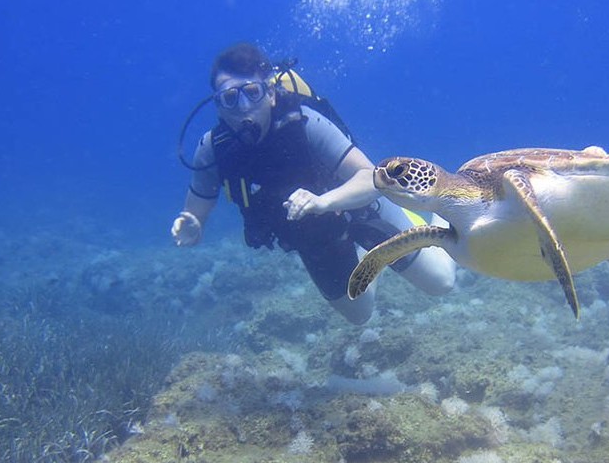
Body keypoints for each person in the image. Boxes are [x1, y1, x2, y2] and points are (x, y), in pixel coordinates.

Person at [171, 42, 456, 324]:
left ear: (270, 94)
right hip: (316, 240)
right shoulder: (213, 149)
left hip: (363, 210)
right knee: (360, 314)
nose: (243, 107)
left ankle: (441, 213)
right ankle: (363, 254)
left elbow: (371, 178)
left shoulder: (304, 122)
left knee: (441, 282)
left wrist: (324, 201)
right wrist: (192, 222)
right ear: (218, 106)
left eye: (252, 92)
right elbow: (198, 206)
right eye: (230, 97)